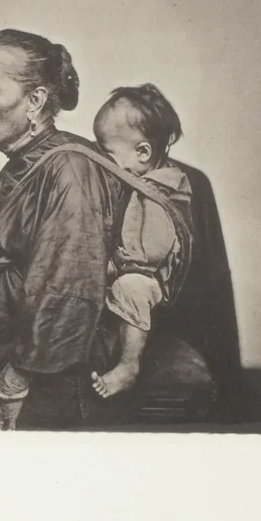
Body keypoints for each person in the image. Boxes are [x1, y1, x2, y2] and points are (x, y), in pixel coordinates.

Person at [0, 29, 195, 430]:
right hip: (3, 372)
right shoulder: (22, 165)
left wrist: (14, 384)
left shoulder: (69, 171)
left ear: (36, 101)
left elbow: (66, 291)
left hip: (51, 390)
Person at [90, 85, 193, 399]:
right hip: (140, 270)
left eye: (107, 154)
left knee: (129, 287)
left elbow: (149, 252)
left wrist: (113, 263)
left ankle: (128, 366)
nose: (101, 161)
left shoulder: (155, 193)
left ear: (143, 153)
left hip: (151, 279)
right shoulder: (144, 180)